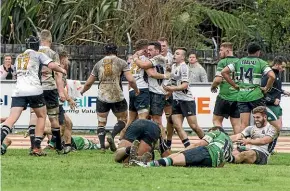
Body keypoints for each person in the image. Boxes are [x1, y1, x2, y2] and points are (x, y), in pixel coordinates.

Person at [0, 35, 66, 156]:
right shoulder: (38, 54)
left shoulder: (19, 57)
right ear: (36, 45)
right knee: (41, 116)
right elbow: (51, 65)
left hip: (18, 91)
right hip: (34, 90)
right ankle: (36, 147)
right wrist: (62, 70)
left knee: (12, 118)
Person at [81, 43, 139, 152]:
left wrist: (82, 91)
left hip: (102, 96)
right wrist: (136, 90)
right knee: (123, 120)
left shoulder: (98, 64)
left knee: (101, 123)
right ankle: (112, 135)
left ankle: (102, 146)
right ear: (116, 51)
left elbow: (89, 83)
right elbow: (131, 80)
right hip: (117, 96)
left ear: (105, 52)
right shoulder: (121, 62)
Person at [221, 42, 275, 132]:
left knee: (244, 123)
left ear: (248, 51)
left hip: (242, 95)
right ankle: (259, 141)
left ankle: (242, 144)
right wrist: (266, 88)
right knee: (260, 120)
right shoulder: (260, 62)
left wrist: (234, 85)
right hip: (256, 95)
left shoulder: (238, 61)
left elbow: (224, 72)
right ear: (258, 52)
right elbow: (272, 76)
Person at [27, 30, 66, 154]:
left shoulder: (33, 53)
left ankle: (33, 145)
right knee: (53, 117)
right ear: (50, 40)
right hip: (49, 88)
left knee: (34, 116)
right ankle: (59, 146)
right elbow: (58, 75)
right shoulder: (52, 53)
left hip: (35, 88)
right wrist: (61, 92)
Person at [131, 126, 234, 168]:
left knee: (175, 158)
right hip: (212, 163)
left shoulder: (216, 132)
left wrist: (183, 151)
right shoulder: (229, 143)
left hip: (208, 152)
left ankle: (146, 165)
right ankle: (146, 163)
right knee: (178, 163)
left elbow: (199, 144)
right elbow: (223, 163)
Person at [163, 48, 204, 148]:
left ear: (182, 57)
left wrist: (172, 89)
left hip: (187, 101)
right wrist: (167, 91)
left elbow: (185, 85)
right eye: (174, 54)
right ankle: (188, 148)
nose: (174, 56)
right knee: (177, 126)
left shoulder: (184, 67)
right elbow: (172, 81)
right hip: (177, 100)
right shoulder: (173, 66)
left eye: (177, 54)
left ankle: (209, 143)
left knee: (194, 126)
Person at [132, 41, 169, 138]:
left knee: (157, 121)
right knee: (149, 120)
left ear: (157, 51)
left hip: (157, 93)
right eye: (147, 50)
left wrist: (135, 57)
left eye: (150, 50)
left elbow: (150, 73)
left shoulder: (158, 58)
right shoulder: (152, 59)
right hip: (151, 92)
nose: (148, 52)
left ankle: (164, 144)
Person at [261, 56, 290, 153]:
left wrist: (284, 92)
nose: (283, 69)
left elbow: (274, 88)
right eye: (283, 67)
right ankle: (267, 149)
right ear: (277, 64)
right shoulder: (268, 75)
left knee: (278, 127)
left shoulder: (277, 74)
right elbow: (262, 90)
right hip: (269, 105)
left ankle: (269, 149)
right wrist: (272, 100)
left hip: (276, 106)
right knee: (276, 127)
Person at [211, 42, 241, 133]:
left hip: (224, 96)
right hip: (237, 97)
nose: (219, 52)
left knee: (216, 120)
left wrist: (213, 86)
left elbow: (218, 80)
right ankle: (240, 145)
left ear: (227, 51)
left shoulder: (223, 62)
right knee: (236, 123)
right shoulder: (239, 62)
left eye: (221, 50)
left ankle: (222, 140)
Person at [158, 37, 174, 148]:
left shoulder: (172, 59)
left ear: (167, 47)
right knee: (155, 118)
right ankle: (159, 141)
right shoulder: (154, 57)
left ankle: (168, 142)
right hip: (156, 92)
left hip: (169, 91)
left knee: (170, 118)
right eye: (160, 46)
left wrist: (171, 89)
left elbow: (176, 75)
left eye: (164, 46)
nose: (162, 48)